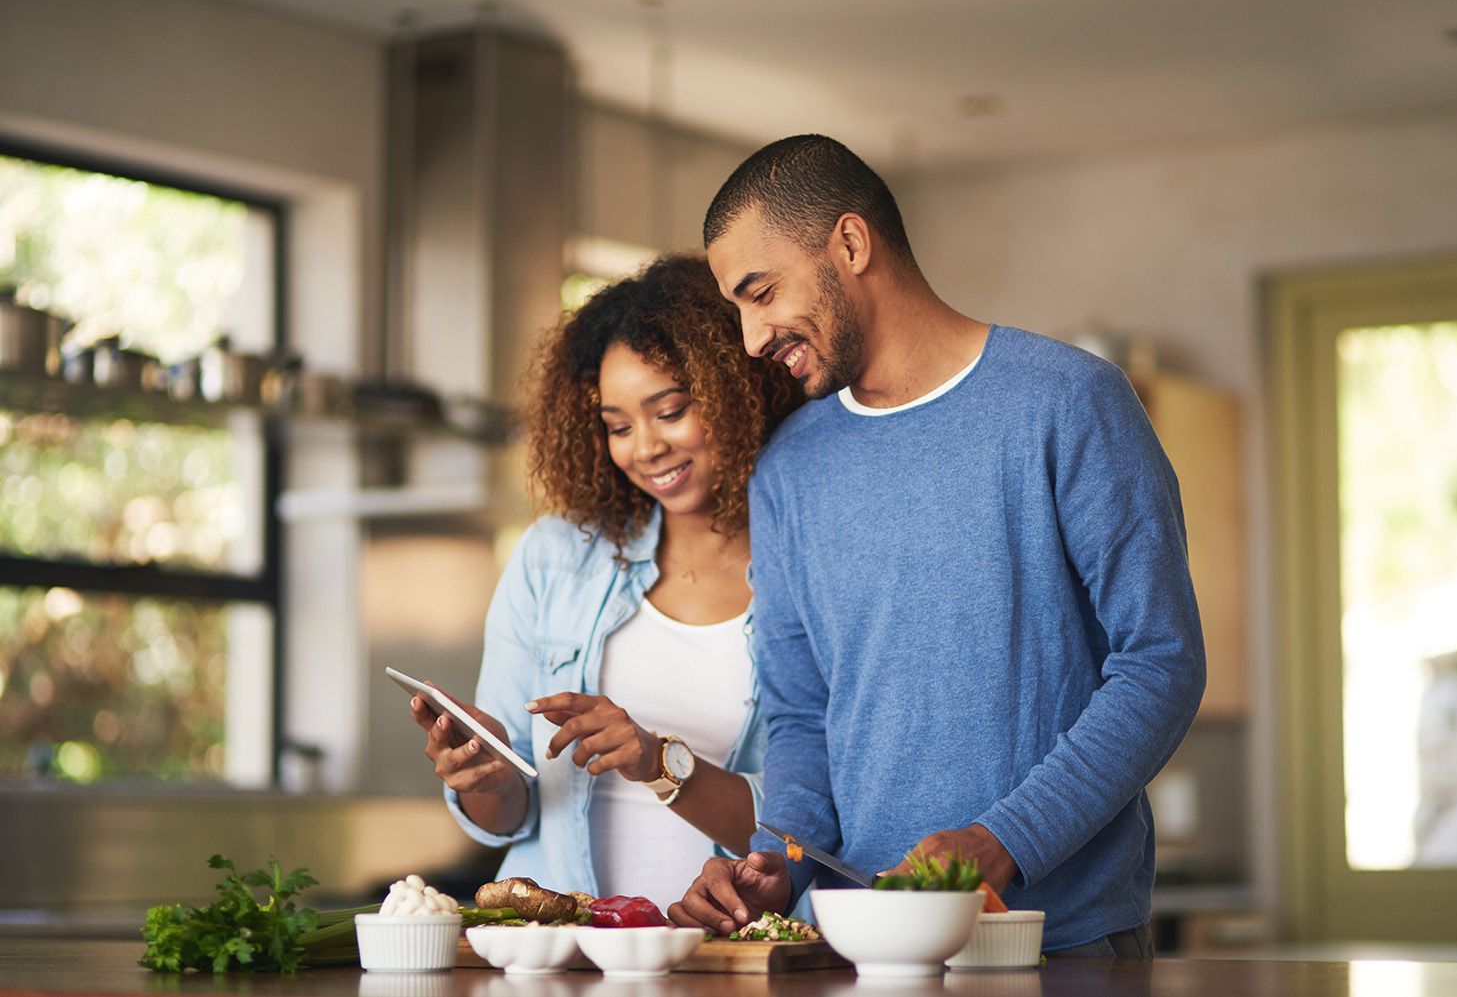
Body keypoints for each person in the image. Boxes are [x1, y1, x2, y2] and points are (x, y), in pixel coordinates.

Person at [667, 135, 1205, 958]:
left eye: (761, 291)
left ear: (850, 243)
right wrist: (777, 857)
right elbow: (802, 718)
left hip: (1060, 944)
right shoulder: (787, 472)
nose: (749, 337)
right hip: (859, 948)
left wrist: (1003, 840)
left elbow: (1160, 663)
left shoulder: (1068, 404)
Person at [409, 254, 802, 911]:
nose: (643, 447)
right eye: (618, 425)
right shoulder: (554, 559)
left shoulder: (810, 568)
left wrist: (657, 758)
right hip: (561, 955)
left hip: (723, 955)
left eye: (669, 410)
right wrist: (486, 770)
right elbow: (509, 812)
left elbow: (807, 827)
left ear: (739, 390)